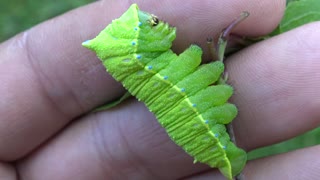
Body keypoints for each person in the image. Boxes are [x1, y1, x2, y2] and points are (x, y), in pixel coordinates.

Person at [0, 1, 319, 179]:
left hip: (201, 128)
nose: (161, 25)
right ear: (138, 49)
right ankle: (225, 158)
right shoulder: (162, 66)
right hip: (207, 132)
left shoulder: (152, 66)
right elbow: (200, 61)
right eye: (152, 24)